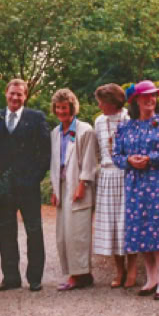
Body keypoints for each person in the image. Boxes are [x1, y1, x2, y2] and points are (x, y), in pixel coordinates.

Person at [112, 80, 159, 301]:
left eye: (153, 95)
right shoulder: (125, 127)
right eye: (145, 96)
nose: (150, 99)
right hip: (135, 185)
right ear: (136, 101)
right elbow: (116, 156)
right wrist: (129, 160)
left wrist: (150, 158)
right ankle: (151, 278)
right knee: (141, 230)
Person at [0, 78, 51, 292]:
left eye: (19, 94)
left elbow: (45, 152)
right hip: (2, 187)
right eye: (12, 93)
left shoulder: (36, 117)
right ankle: (11, 277)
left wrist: (35, 177)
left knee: (34, 230)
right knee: (5, 232)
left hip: (28, 185)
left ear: (25, 96)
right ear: (6, 93)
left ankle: (35, 278)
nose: (15, 97)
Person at [49, 88, 98, 291]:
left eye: (65, 107)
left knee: (78, 233)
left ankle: (79, 276)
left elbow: (90, 160)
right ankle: (80, 274)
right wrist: (54, 189)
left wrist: (82, 184)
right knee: (63, 234)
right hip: (62, 185)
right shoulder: (55, 133)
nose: (61, 111)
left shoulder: (85, 130)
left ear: (72, 108)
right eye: (58, 108)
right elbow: (55, 163)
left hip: (79, 185)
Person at [91, 83, 136, 288]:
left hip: (126, 174)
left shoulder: (128, 119)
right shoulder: (99, 121)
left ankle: (132, 269)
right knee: (111, 225)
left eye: (102, 102)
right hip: (107, 176)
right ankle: (119, 271)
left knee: (126, 223)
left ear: (113, 102)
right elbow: (98, 151)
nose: (99, 106)